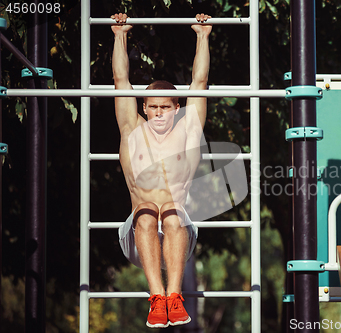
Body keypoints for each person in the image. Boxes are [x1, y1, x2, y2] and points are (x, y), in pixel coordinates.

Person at [111, 12, 212, 328]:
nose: (158, 113)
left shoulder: (187, 133)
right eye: (152, 106)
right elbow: (121, 81)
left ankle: (174, 297)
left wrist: (202, 36)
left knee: (169, 210)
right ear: (143, 107)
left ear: (177, 108)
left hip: (178, 228)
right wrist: (119, 35)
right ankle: (157, 299)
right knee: (146, 211)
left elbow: (200, 82)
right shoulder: (132, 132)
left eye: (165, 107)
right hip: (137, 232)